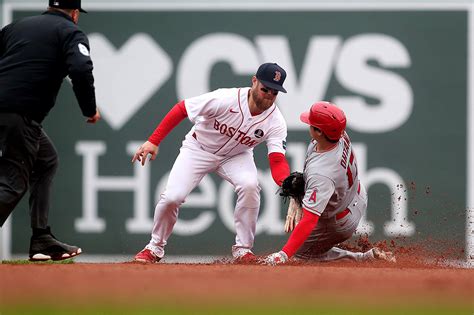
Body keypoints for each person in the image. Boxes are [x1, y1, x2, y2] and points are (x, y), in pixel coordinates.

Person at [132, 62, 291, 263]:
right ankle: (154, 248)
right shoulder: (225, 98)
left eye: (274, 92)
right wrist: (154, 141)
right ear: (254, 81)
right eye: (265, 88)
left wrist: (286, 183)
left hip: (236, 156)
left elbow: (277, 159)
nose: (268, 95)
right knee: (172, 196)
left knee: (250, 186)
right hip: (198, 148)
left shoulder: (276, 121)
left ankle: (243, 250)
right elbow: (182, 108)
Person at [0, 0, 100, 261]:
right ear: (75, 13)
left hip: (13, 113)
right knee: (13, 183)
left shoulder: (16, 27)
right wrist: (89, 109)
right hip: (19, 114)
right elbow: (80, 68)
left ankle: (41, 238)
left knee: (45, 160)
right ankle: (41, 239)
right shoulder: (70, 32)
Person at [262, 101, 395, 265]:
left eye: (312, 124)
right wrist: (300, 191)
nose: (308, 124)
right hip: (356, 196)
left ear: (319, 132)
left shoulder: (322, 174)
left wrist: (283, 254)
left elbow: (309, 220)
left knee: (301, 256)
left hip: (338, 220)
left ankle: (363, 259)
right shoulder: (339, 135)